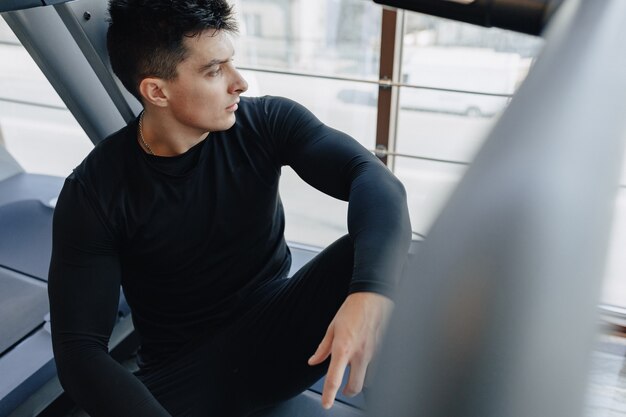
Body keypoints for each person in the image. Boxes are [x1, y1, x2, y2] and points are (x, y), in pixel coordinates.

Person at [48, 0, 411, 416]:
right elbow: (79, 353)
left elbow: (371, 177)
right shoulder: (93, 193)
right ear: (157, 91)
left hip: (284, 336)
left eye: (230, 63)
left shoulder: (268, 121)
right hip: (186, 377)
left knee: (386, 257)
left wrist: (370, 293)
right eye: (214, 70)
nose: (239, 83)